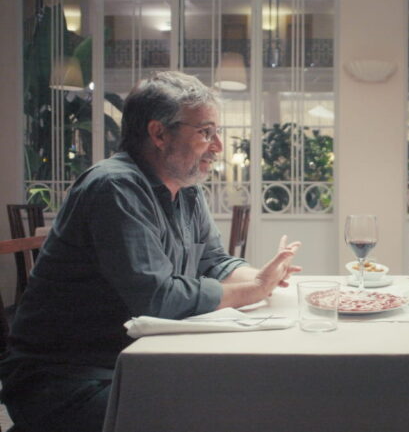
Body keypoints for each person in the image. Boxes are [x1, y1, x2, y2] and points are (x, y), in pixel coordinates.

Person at [0, 71, 302, 432]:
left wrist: (264, 277)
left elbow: (215, 262)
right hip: (64, 381)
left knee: (246, 396)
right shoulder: (114, 187)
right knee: (223, 414)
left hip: (131, 361)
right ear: (158, 133)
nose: (218, 146)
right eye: (206, 132)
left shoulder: (187, 191)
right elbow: (158, 298)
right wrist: (254, 290)